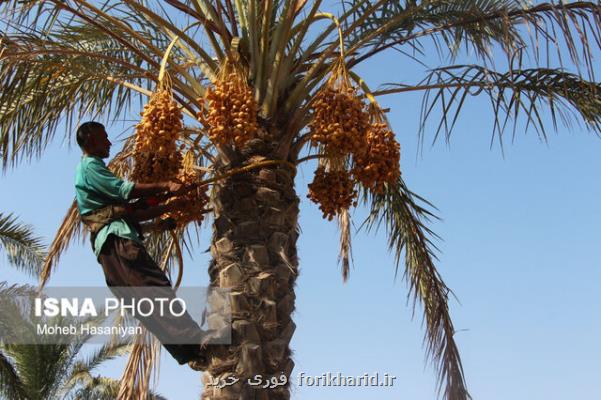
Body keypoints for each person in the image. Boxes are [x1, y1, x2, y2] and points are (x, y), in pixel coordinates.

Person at [74, 121, 207, 370]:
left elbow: (130, 214)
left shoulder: (98, 191)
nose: (109, 143)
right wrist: (166, 185)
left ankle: (191, 353)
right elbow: (125, 191)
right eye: (104, 137)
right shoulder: (90, 166)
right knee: (154, 287)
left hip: (110, 253)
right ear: (91, 139)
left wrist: (169, 207)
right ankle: (196, 343)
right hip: (118, 245)